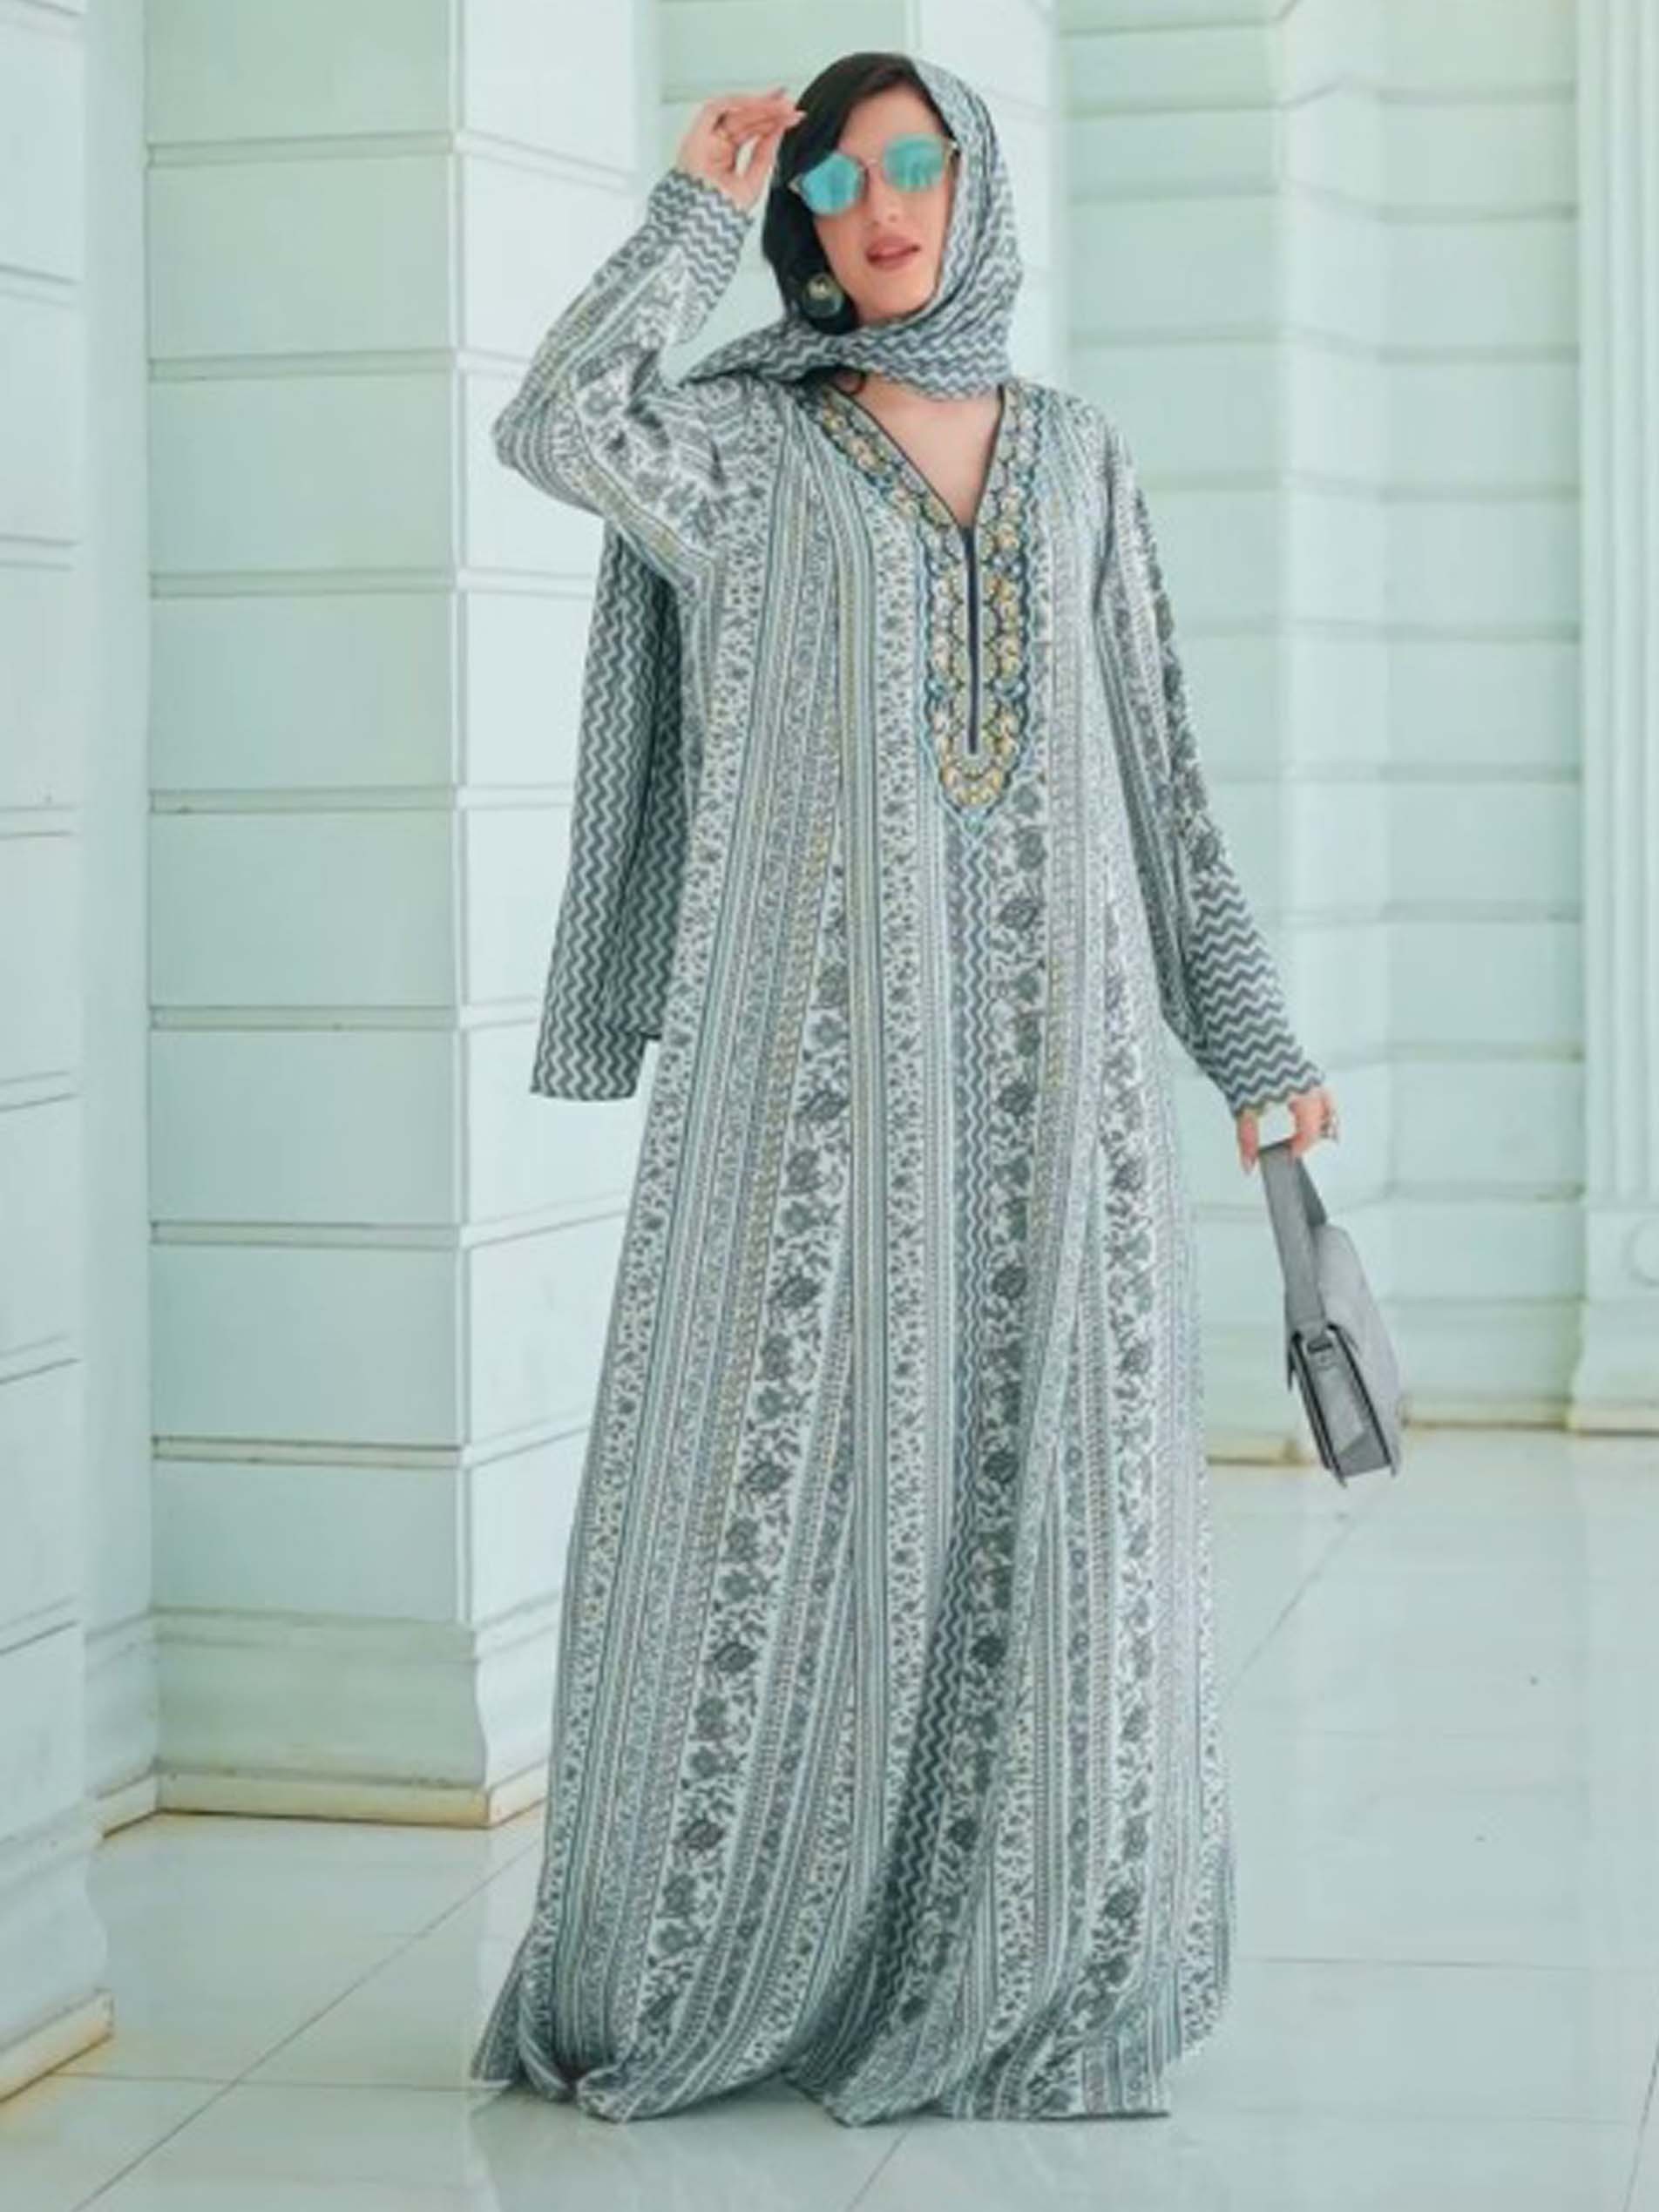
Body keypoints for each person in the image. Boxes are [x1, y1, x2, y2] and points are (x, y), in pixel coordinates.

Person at [469, 51, 1337, 2127]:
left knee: (1057, 1520)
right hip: (805, 1090)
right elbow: (556, 418)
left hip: (1058, 1096)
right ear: (804, 220)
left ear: (971, 182)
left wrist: (1254, 1047)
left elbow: (1162, 784)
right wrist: (693, 212)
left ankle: (1024, 1950)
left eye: (914, 164)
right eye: (838, 181)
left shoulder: (1077, 459)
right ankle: (727, 1951)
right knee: (769, 1513)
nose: (878, 206)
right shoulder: (742, 450)